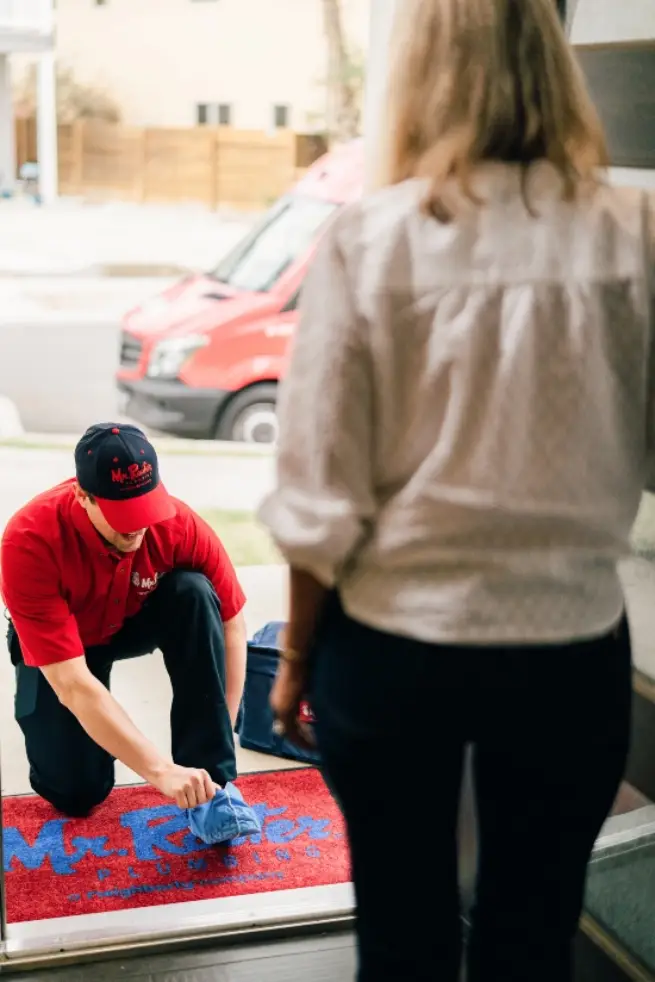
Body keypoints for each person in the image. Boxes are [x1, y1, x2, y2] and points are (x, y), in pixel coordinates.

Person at [258, 0, 655, 979]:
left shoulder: (371, 237)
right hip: (566, 652)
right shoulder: (636, 230)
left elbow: (321, 495)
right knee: (531, 936)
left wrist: (298, 655)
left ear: (419, 74)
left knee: (401, 936)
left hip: (391, 654)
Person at [0, 422, 260, 845]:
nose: (138, 528)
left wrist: (220, 732)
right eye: (124, 517)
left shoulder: (178, 523)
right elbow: (73, 686)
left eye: (145, 510)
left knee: (193, 592)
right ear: (83, 497)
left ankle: (212, 789)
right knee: (76, 793)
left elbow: (232, 624)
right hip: (65, 651)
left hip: (132, 619)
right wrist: (159, 771)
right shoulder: (29, 540)